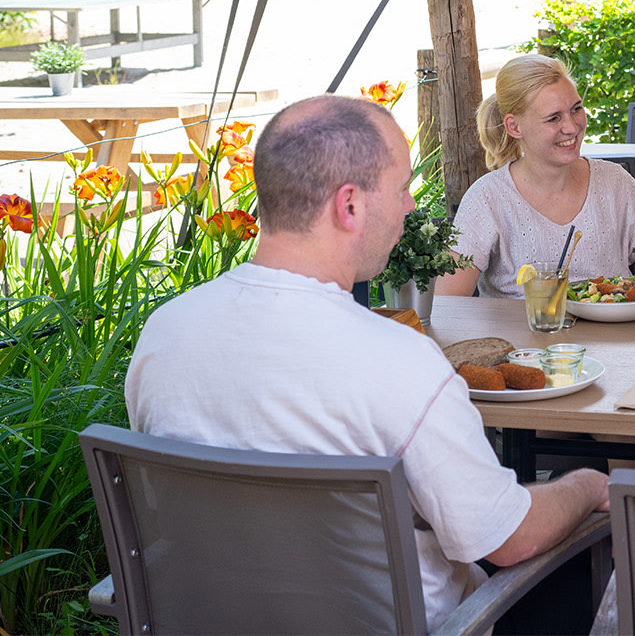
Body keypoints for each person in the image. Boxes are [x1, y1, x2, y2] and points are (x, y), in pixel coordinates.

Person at [126, 95, 607, 630]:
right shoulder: (398, 360)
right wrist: (587, 484)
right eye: (401, 189)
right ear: (349, 205)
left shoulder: (165, 334)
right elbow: (508, 539)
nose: (408, 206)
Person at [437, 54, 635, 302]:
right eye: (553, 118)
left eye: (576, 109)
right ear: (515, 127)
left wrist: (634, 330)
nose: (571, 127)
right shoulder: (488, 198)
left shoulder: (615, 183)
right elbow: (448, 304)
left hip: (613, 343)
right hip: (523, 346)